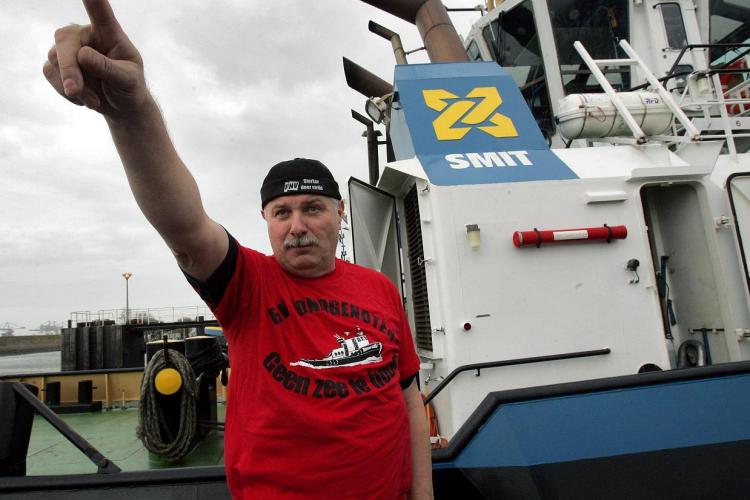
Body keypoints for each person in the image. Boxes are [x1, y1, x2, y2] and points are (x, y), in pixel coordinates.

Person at [42, 1, 432, 499]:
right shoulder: (247, 285)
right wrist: (130, 112)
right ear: (265, 221)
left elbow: (408, 399)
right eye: (282, 212)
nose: (297, 226)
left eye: (313, 209)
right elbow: (185, 227)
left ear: (340, 213)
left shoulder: (379, 290)